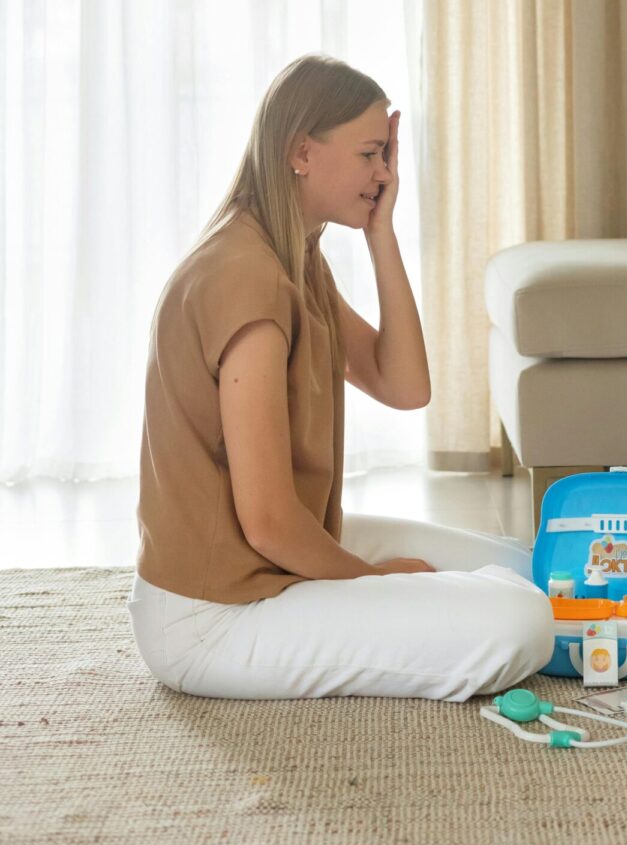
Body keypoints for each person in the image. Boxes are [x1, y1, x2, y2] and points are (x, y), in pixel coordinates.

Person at [128, 55, 553, 701]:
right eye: (370, 154)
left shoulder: (292, 254)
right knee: (523, 619)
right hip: (214, 616)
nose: (384, 173)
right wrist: (376, 582)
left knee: (522, 569)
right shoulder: (245, 278)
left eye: (386, 155)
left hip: (271, 558)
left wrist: (382, 235)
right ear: (302, 151)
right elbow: (269, 521)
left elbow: (404, 387)